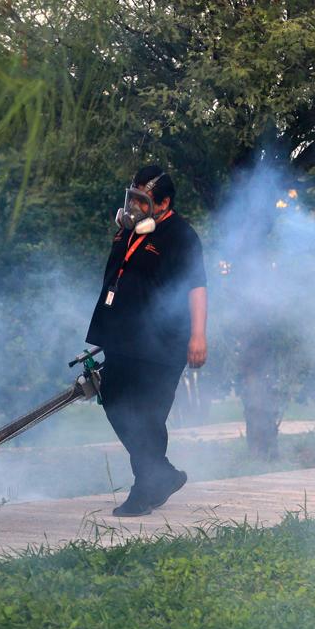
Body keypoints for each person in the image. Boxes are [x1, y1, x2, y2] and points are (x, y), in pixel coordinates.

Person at [85, 164, 208, 516]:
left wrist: (198, 334)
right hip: (122, 338)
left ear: (164, 202)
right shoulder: (128, 231)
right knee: (114, 401)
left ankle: (145, 487)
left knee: (147, 414)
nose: (135, 205)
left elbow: (197, 286)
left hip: (162, 343)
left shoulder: (180, 235)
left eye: (143, 199)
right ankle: (161, 474)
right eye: (133, 197)